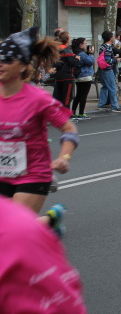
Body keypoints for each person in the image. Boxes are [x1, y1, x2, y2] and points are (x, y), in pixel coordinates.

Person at [0, 27, 79, 235]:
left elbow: (69, 128)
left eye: (8, 59)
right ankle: (49, 223)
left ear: (24, 65)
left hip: (33, 175)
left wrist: (65, 157)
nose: (1, 63)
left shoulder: (37, 99)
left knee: (10, 231)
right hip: (2, 174)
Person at [0, 196, 87, 313]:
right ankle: (49, 224)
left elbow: (62, 306)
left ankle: (49, 220)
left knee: (24, 227)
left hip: (32, 182)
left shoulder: (16, 231)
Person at [51, 31, 79, 110]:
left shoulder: (56, 49)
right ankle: (66, 115)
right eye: (69, 38)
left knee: (58, 96)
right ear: (67, 39)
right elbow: (72, 62)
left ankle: (58, 114)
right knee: (67, 97)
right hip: (68, 76)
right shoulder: (67, 50)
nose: (70, 39)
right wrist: (77, 59)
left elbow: (55, 63)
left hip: (59, 76)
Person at [98, 31, 121, 112]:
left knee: (105, 87)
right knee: (112, 88)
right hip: (108, 70)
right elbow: (108, 60)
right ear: (110, 38)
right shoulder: (108, 48)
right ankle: (115, 105)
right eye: (113, 36)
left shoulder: (103, 46)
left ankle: (102, 104)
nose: (113, 38)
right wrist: (116, 60)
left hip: (102, 69)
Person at [71, 38, 94, 120]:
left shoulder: (75, 52)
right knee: (84, 95)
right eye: (85, 43)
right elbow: (90, 62)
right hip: (85, 76)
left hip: (78, 76)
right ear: (80, 44)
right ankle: (81, 113)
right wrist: (91, 54)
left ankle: (73, 112)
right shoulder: (82, 54)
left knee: (78, 95)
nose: (86, 45)